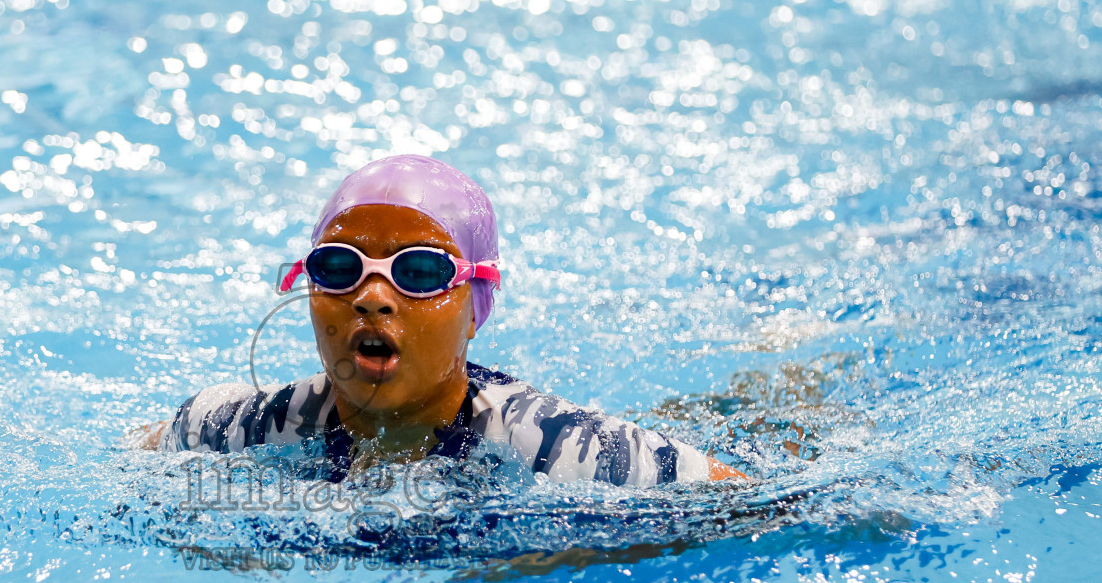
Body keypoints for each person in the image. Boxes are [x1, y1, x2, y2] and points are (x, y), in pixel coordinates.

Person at [136, 154, 744, 485]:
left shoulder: (567, 451)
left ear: (475, 308)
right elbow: (132, 460)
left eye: (420, 272)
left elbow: (752, 503)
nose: (372, 297)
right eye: (340, 267)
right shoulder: (234, 427)